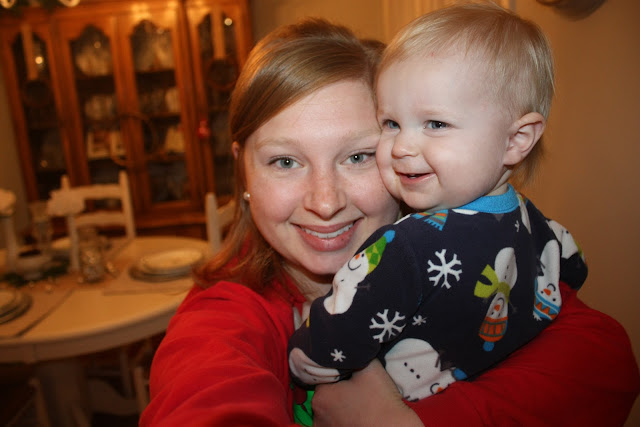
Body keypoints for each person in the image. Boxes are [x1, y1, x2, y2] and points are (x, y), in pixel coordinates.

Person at [139, 16, 640, 427]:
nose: (325, 202)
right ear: (243, 171)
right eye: (285, 161)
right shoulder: (224, 318)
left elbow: (605, 362)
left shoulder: (476, 255)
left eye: (358, 156)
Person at [287, 1, 588, 407]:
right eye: (391, 123)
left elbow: (332, 341)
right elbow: (572, 266)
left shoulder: (405, 248)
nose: (402, 146)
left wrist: (301, 351)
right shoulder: (532, 219)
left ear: (516, 140)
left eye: (436, 123)